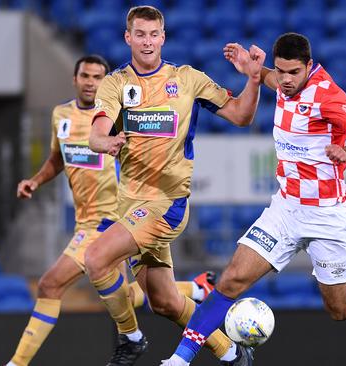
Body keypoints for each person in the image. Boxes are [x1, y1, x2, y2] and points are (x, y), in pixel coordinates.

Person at [161, 33, 346, 366]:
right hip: (285, 209)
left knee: (343, 309)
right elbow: (272, 78)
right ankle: (179, 360)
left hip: (328, 215)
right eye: (281, 71)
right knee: (230, 280)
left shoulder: (328, 96)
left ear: (309, 66)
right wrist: (251, 71)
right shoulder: (283, 80)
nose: (285, 80)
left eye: (293, 73)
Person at [6, 55, 217, 366]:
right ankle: (194, 290)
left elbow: (148, 157)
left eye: (97, 77)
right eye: (85, 76)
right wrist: (36, 181)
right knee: (128, 296)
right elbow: (57, 158)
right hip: (85, 221)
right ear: (75, 79)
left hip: (113, 219)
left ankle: (19, 363)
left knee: (51, 284)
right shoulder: (60, 115)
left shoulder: (119, 112)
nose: (91, 82)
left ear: (106, 81)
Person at [86, 5, 264, 366]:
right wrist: (104, 142)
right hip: (130, 206)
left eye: (154, 34)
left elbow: (242, 116)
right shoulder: (116, 83)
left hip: (166, 204)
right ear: (128, 37)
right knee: (164, 302)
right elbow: (98, 131)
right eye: (140, 34)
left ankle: (130, 336)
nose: (147, 42)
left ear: (163, 37)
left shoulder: (188, 79)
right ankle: (231, 352)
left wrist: (254, 79)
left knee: (95, 259)